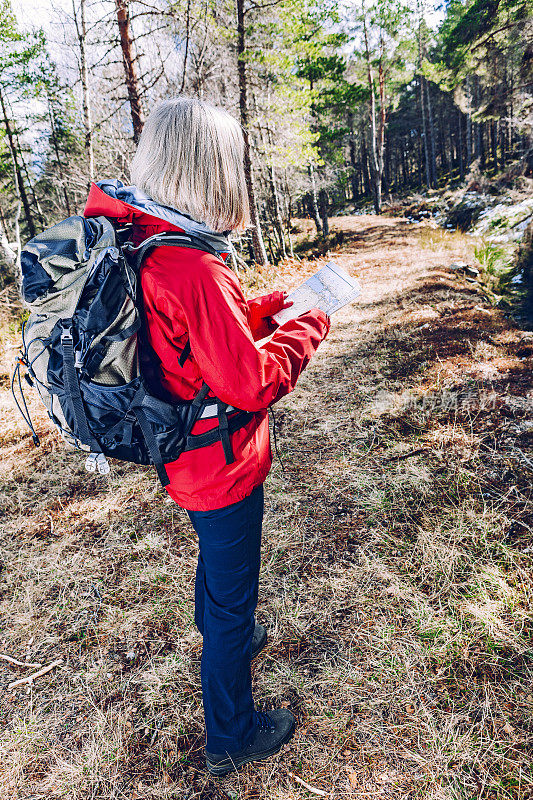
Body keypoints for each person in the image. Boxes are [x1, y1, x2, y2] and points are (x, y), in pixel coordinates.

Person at [83, 97, 330, 775]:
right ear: (210, 167)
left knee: (218, 574)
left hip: (180, 454)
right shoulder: (190, 263)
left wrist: (274, 305)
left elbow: (189, 338)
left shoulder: (144, 237)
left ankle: (231, 630)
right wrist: (312, 325)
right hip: (218, 466)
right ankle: (231, 734)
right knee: (228, 596)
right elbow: (248, 382)